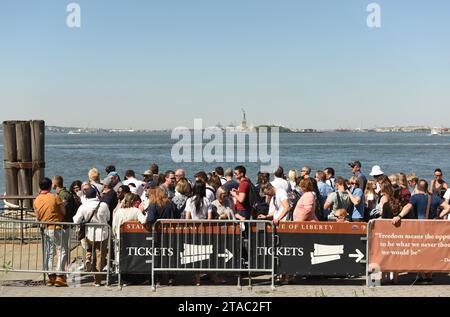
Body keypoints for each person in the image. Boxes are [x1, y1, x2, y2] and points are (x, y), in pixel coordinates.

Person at [392, 179, 446, 285]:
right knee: (430, 251)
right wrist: (439, 216)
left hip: (419, 230)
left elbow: (408, 206)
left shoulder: (415, 197)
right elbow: (447, 207)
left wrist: (399, 216)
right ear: (426, 188)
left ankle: (421, 275)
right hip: (432, 229)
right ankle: (429, 276)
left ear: (417, 188)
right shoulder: (435, 198)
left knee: (419, 250)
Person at [73, 187, 110, 287]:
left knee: (89, 248)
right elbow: (108, 217)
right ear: (96, 195)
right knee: (100, 257)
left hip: (89, 233)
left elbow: (76, 220)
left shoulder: (83, 206)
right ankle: (97, 281)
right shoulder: (103, 205)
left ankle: (87, 259)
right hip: (102, 233)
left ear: (86, 196)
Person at [34, 177, 67, 287]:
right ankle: (59, 276)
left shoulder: (37, 199)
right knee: (62, 251)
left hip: (45, 228)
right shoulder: (55, 197)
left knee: (49, 252)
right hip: (56, 227)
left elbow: (37, 216)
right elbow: (63, 211)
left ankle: (50, 277)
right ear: (49, 186)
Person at [52, 176, 77, 280]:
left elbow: (63, 210)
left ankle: (63, 271)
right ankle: (64, 269)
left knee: (63, 249)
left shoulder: (64, 195)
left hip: (64, 225)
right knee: (61, 249)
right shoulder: (61, 194)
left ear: (55, 184)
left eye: (53, 182)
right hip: (62, 225)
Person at [379, 182, 402, 284]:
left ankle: (383, 278)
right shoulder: (400, 205)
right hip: (398, 233)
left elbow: (384, 220)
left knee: (385, 255)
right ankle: (395, 279)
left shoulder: (386, 205)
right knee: (396, 255)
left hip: (387, 233)